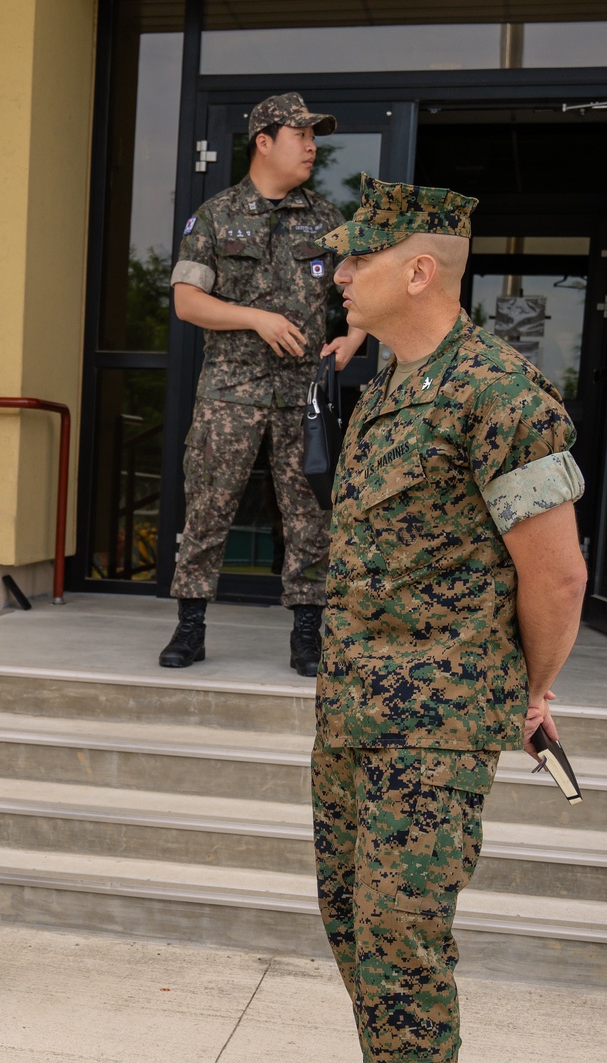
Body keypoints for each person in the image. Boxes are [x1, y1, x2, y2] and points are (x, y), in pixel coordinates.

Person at [277, 175, 588, 1063]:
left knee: (404, 936)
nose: (335, 277)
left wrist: (528, 690)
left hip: (435, 721)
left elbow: (555, 576)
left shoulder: (502, 395)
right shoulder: (392, 383)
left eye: (350, 260)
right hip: (358, 707)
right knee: (352, 918)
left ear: (418, 269)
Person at [160, 92, 366, 675]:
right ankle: (190, 627)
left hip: (303, 395)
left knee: (309, 513)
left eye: (314, 136)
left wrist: (352, 337)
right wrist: (255, 317)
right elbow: (186, 301)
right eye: (300, 135)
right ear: (264, 142)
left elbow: (366, 290)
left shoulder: (328, 222)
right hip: (230, 391)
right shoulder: (216, 215)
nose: (311, 146)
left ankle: (307, 634)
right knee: (208, 506)